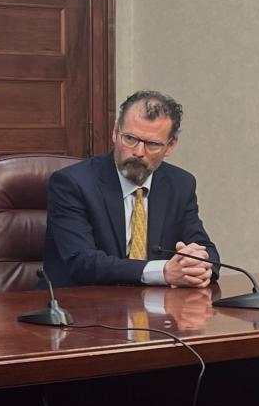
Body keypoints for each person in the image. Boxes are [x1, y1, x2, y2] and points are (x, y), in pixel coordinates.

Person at [43, 90, 218, 287]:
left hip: (156, 309)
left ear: (170, 146)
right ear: (115, 132)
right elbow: (82, 262)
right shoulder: (73, 184)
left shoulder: (180, 184)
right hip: (83, 308)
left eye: (152, 144)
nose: (138, 152)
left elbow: (207, 251)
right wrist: (162, 272)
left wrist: (198, 265)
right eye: (130, 139)